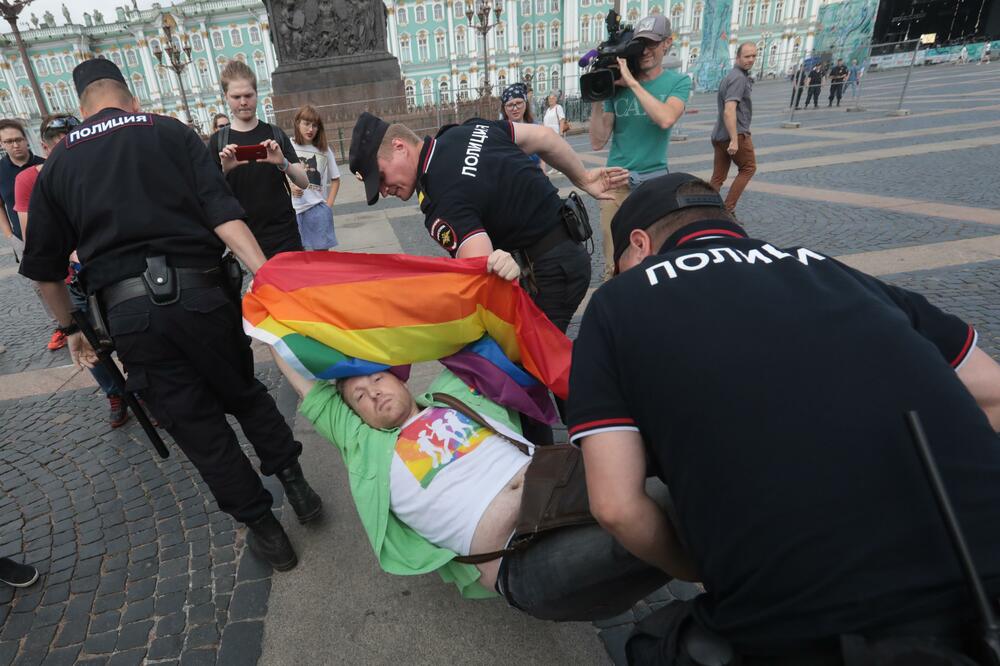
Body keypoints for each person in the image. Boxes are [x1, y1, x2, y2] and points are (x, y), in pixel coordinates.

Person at [567, 172, 1000, 664]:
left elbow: (616, 505)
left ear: (639, 244)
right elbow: (994, 396)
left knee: (649, 645)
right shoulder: (832, 268)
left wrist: (692, 567)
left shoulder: (618, 302)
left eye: (619, 260)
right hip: (984, 575)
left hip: (806, 622)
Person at [18, 59, 324, 571]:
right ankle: (298, 486)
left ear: (82, 108)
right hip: (203, 294)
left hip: (130, 314)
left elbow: (44, 269)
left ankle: (267, 532)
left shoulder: (59, 164)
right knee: (243, 392)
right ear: (131, 99)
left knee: (196, 424)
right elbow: (223, 214)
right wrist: (268, 277)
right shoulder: (170, 131)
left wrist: (71, 329)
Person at [272, 348, 671, 621]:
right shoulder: (364, 444)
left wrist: (499, 269)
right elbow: (306, 386)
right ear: (355, 416)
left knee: (679, 454)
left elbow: (482, 326)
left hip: (563, 484)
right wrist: (264, 324)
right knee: (668, 520)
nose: (372, 392)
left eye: (377, 379)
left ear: (399, 379)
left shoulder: (453, 392)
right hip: (518, 555)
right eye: (359, 396)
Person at [348, 112, 628, 334]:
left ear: (399, 147)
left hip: (549, 273)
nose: (384, 191)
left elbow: (481, 272)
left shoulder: (440, 200)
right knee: (547, 361)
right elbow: (543, 137)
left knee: (529, 370)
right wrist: (582, 177)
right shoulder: (464, 131)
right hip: (571, 250)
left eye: (381, 177)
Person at [13, 113, 129, 427]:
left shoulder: (93, 170)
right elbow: (32, 234)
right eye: (58, 144)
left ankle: (141, 389)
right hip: (65, 276)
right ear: (45, 146)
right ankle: (114, 392)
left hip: (102, 267)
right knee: (83, 336)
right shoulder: (29, 180)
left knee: (126, 331)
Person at [588, 14, 691, 279]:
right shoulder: (617, 88)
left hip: (653, 184)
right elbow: (597, 141)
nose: (645, 51)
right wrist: (599, 92)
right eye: (639, 45)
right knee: (613, 261)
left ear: (667, 43)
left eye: (652, 44)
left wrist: (632, 83)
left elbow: (666, 118)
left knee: (652, 259)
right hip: (615, 183)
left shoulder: (678, 82)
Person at [209, 60, 309, 259]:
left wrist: (283, 163)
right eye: (236, 97)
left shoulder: (275, 133)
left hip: (285, 234)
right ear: (226, 98)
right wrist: (225, 170)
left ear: (257, 94)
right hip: (244, 239)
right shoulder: (218, 141)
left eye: (248, 95)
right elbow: (208, 195)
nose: (243, 102)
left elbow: (304, 182)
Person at [0, 118, 63, 350]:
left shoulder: (43, 163)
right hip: (21, 237)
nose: (15, 145)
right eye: (8, 141)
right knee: (40, 283)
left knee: (66, 278)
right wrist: (9, 235)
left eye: (18, 139)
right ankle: (60, 324)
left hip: (55, 233)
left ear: (26, 140)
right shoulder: (0, 171)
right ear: (2, 144)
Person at [709, 42, 757, 214]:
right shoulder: (738, 78)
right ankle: (727, 210)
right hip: (734, 134)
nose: (751, 60)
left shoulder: (731, 76)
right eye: (747, 56)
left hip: (719, 135)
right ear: (737, 58)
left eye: (753, 56)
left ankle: (706, 210)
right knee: (748, 168)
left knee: (718, 177)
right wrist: (735, 140)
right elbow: (729, 110)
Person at [289, 104, 341, 251]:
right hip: (294, 210)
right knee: (299, 258)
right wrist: (291, 187)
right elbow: (279, 174)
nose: (310, 129)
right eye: (306, 124)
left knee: (323, 259)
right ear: (298, 123)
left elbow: (336, 179)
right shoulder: (289, 145)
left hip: (317, 209)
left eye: (315, 125)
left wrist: (327, 207)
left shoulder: (324, 149)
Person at [499, 83, 543, 171]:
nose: (515, 108)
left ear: (525, 104)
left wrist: (544, 176)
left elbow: (542, 157)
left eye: (519, 103)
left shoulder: (535, 127)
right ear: (504, 108)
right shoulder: (500, 132)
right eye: (510, 105)